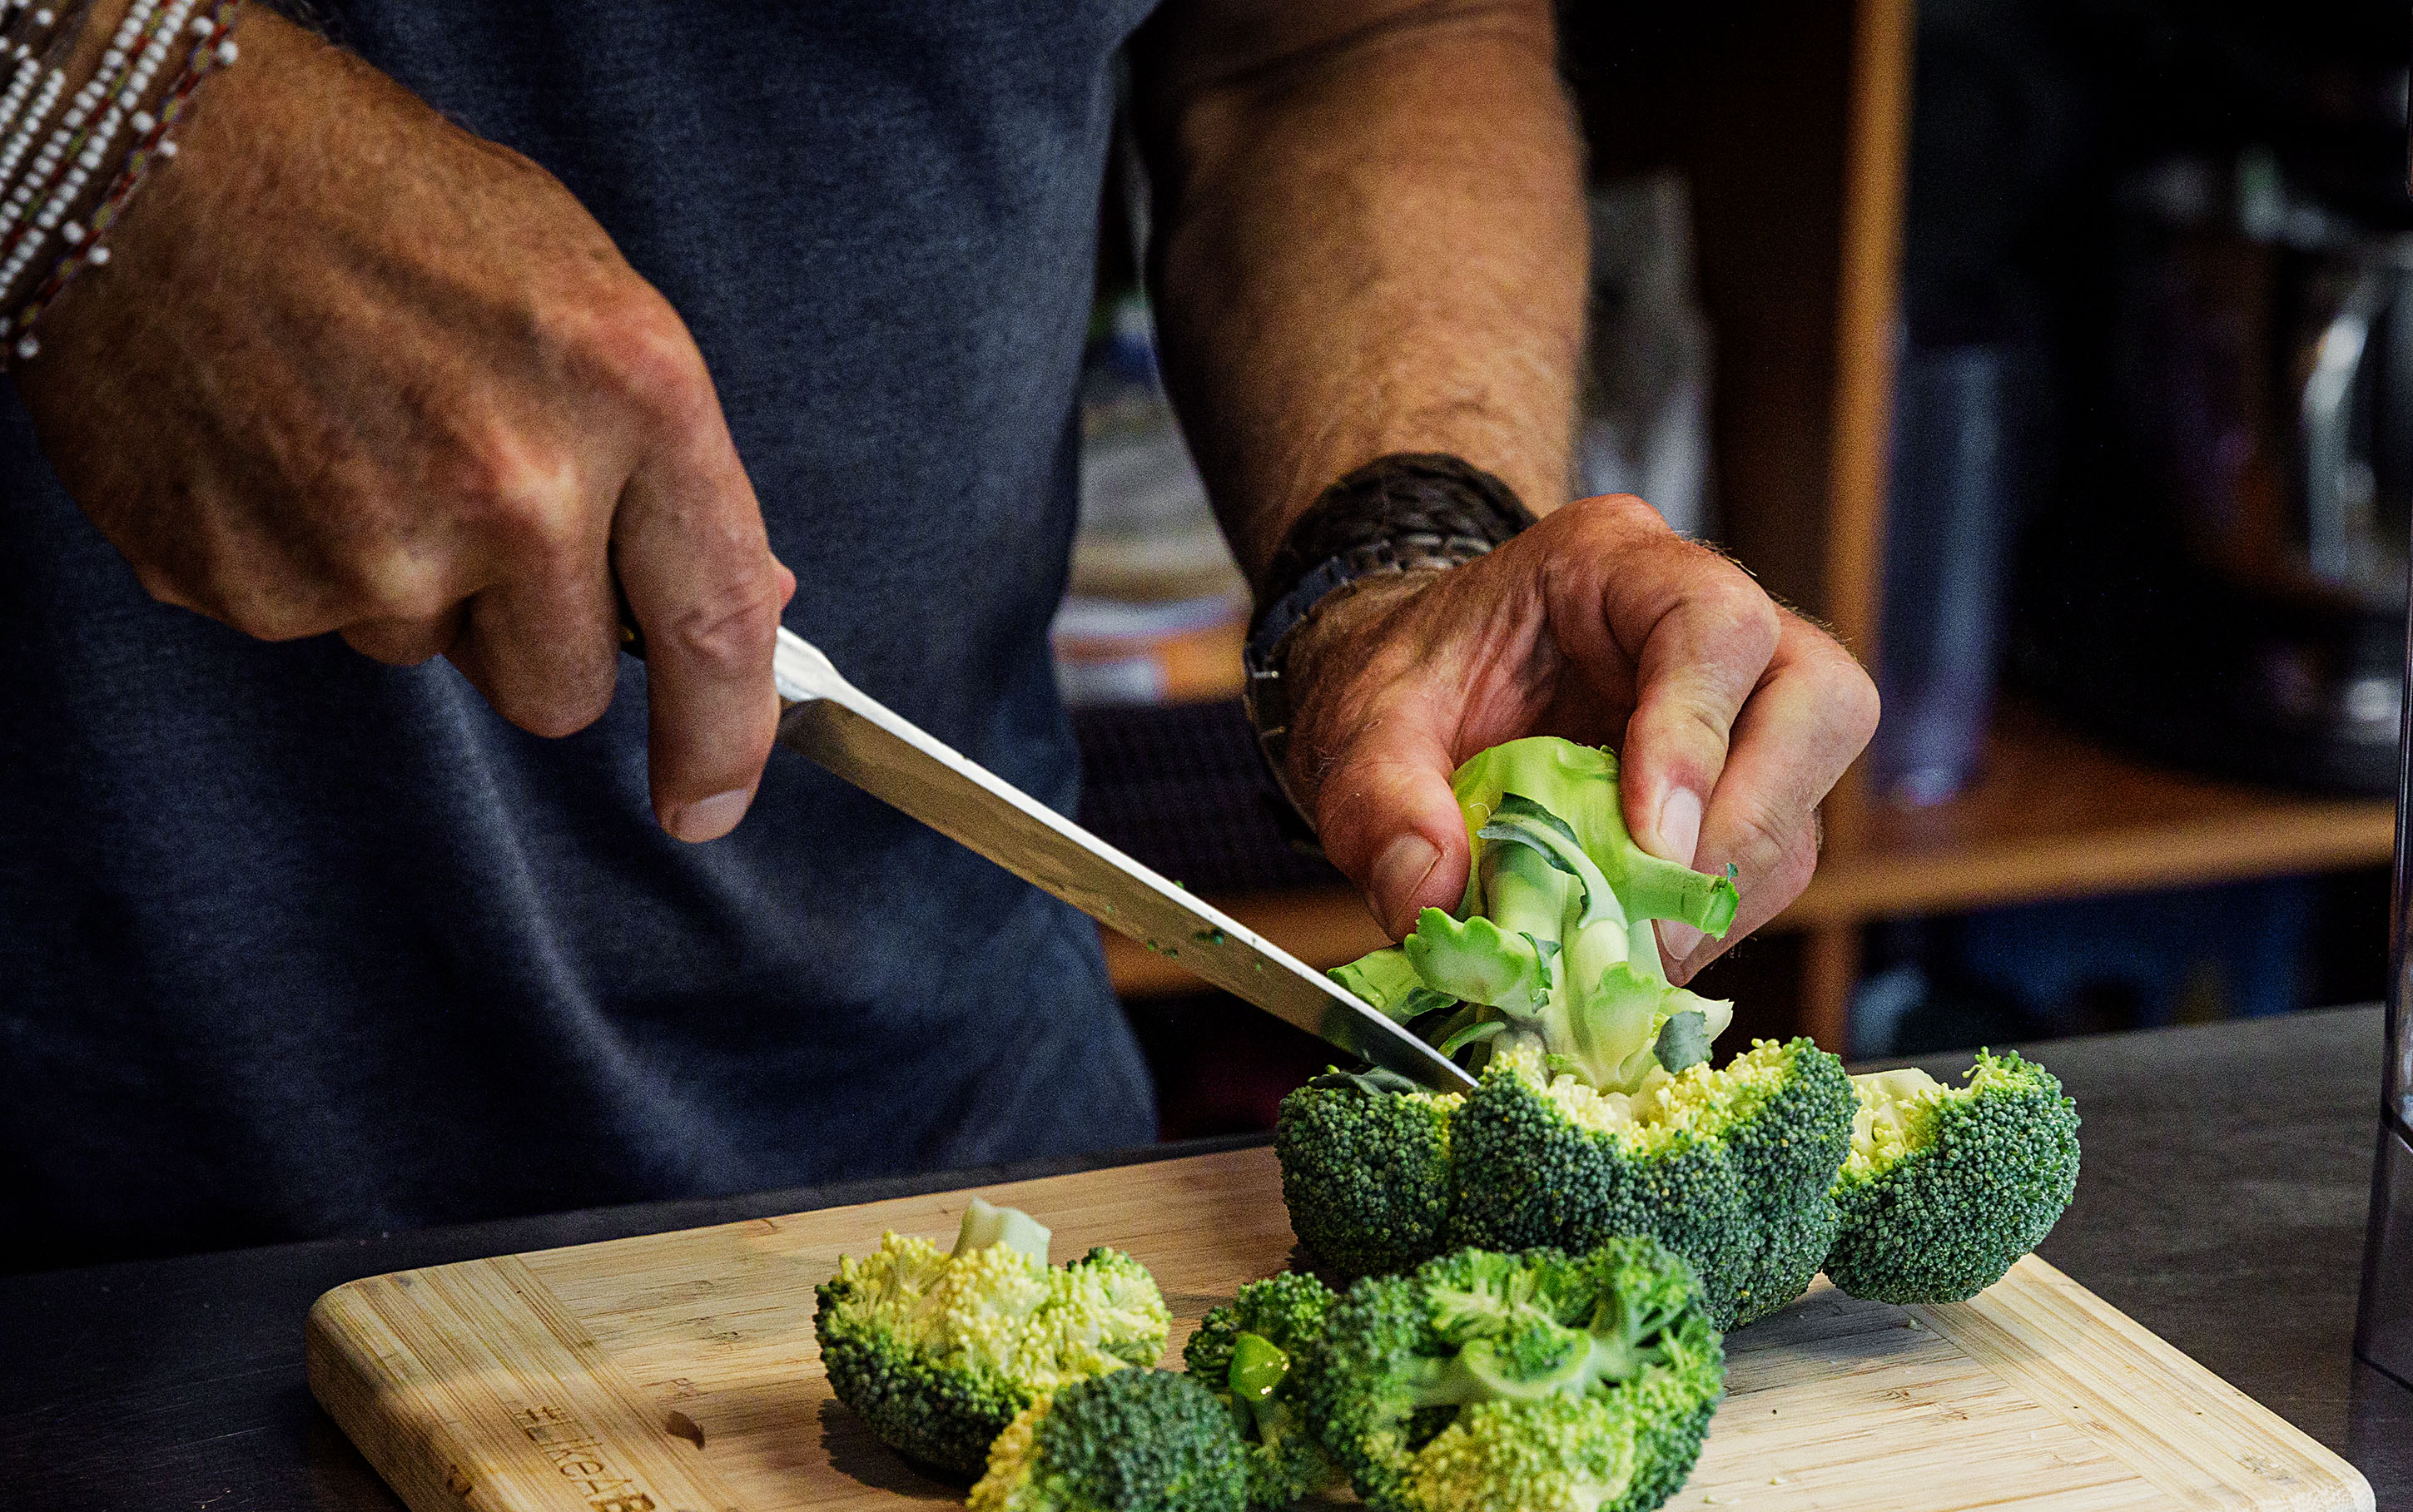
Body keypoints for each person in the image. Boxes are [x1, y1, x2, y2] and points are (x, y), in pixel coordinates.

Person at [0, 0, 1877, 1269]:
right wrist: (69, 100)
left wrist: (1405, 548)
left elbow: (1347, 38)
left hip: (953, 1139)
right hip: (86, 1210)